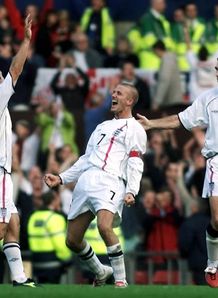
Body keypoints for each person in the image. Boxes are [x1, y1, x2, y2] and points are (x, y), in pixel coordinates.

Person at [44, 82, 147, 288]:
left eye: (119, 93)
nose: (113, 95)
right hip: (86, 181)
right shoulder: (102, 126)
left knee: (103, 226)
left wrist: (131, 191)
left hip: (110, 180)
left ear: (129, 101)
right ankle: (101, 271)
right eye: (113, 92)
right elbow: (85, 158)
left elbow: (135, 161)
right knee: (72, 241)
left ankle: (121, 281)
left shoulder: (135, 128)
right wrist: (62, 178)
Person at [137, 58, 218, 287]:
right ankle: (213, 263)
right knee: (217, 219)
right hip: (216, 160)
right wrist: (152, 124)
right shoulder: (209, 98)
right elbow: (180, 120)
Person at [0, 15, 37, 287]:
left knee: (13, 223)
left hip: (6, 173)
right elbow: (15, 69)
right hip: (0, 172)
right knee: (2, 226)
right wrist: (25, 41)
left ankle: (19, 278)